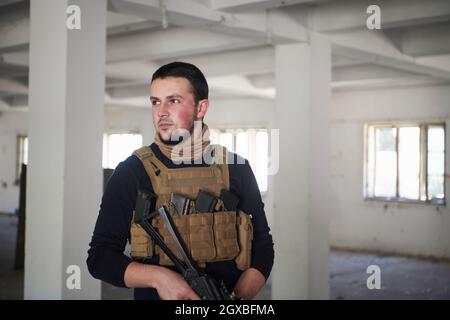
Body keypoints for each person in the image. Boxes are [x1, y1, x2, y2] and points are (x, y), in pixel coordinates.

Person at [87, 62, 274, 300]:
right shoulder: (131, 171)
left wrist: (236, 299)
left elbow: (263, 248)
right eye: (155, 101)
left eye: (173, 101)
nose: (161, 111)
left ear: (201, 107)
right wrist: (159, 278)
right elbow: (100, 258)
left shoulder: (236, 168)